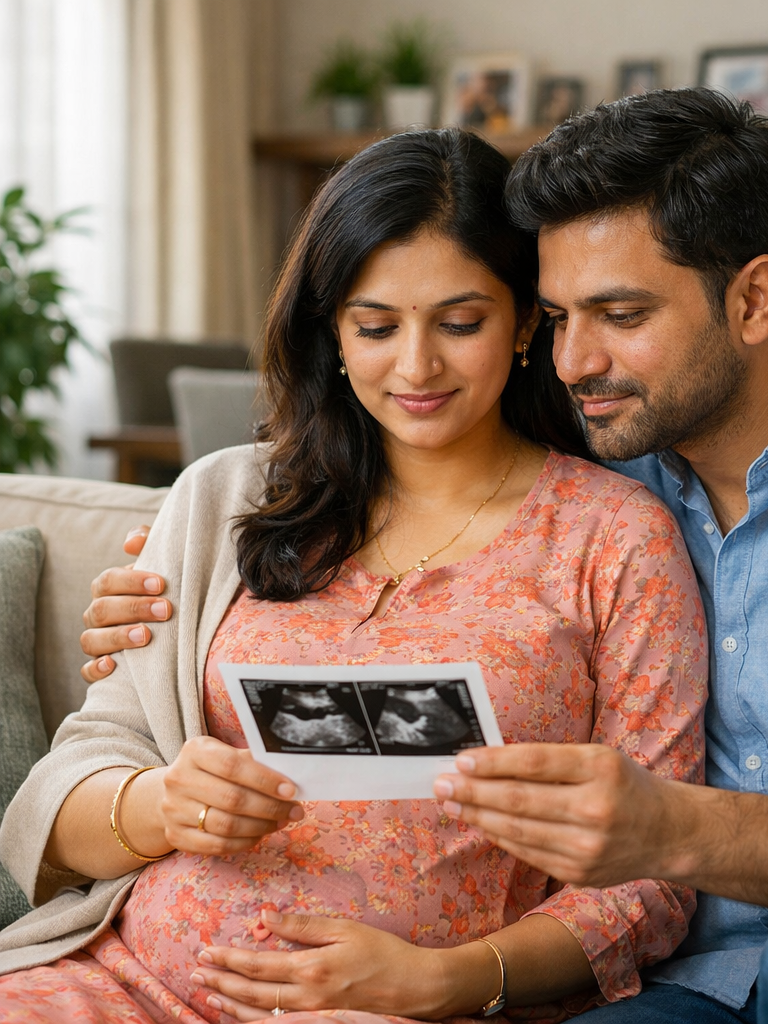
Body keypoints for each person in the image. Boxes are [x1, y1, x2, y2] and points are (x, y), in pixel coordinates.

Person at [81, 90, 768, 1022]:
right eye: (559, 316)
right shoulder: (613, 453)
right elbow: (403, 477)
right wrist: (175, 586)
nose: (572, 362)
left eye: (619, 314)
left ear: (754, 298)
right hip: (687, 977)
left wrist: (672, 828)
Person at [0, 128, 708, 1023]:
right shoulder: (226, 499)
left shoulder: (613, 538)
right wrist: (159, 807)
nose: (415, 367)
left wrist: (445, 980)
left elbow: (655, 875)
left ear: (528, 320)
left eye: (460, 323)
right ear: (332, 329)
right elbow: (72, 782)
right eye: (376, 327)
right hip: (127, 979)